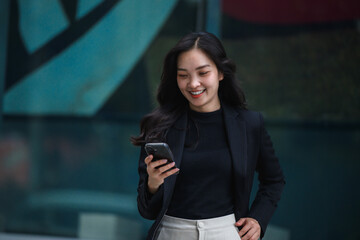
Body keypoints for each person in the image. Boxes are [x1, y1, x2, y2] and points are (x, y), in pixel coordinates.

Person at [131, 32, 285, 240]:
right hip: (171, 233)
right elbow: (147, 211)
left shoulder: (249, 124)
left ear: (221, 72)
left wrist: (257, 219)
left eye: (203, 73)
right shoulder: (159, 127)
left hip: (227, 233)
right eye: (183, 75)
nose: (193, 83)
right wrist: (153, 183)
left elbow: (274, 180)